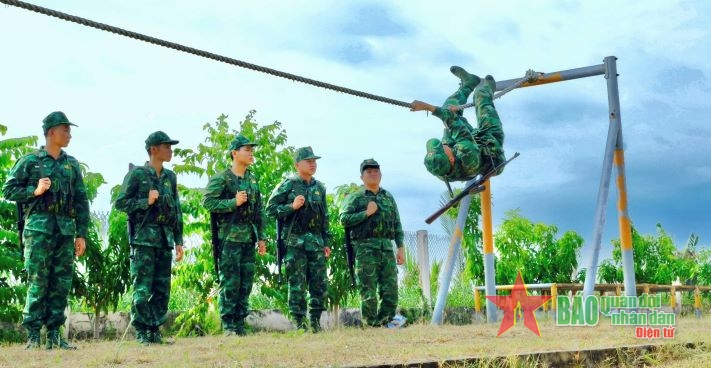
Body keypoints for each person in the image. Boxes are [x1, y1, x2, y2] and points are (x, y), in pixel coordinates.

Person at [2, 111, 90, 350]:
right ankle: (33, 335)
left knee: (61, 283)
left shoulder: (71, 165)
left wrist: (81, 233)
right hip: (38, 230)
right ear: (52, 132)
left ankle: (54, 334)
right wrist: (34, 190)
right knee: (38, 282)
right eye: (66, 130)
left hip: (65, 231)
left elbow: (82, 201)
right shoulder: (31, 161)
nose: (69, 135)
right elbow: (7, 190)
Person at [115, 131, 184, 345]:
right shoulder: (137, 175)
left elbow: (177, 210)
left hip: (164, 239)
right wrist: (145, 201)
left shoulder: (170, 177)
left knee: (162, 288)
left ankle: (155, 329)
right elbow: (121, 203)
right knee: (143, 288)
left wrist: (179, 240)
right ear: (153, 149)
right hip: (143, 239)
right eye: (167, 146)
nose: (170, 150)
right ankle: (142, 330)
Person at [203, 134, 267, 336]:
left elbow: (259, 211)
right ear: (234, 153)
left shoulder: (252, 180)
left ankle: (240, 323)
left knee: (246, 282)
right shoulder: (222, 179)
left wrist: (261, 237)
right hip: (229, 239)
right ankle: (229, 325)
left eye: (251, 149)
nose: (251, 153)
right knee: (230, 282)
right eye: (247, 149)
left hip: (248, 238)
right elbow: (208, 203)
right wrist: (233, 202)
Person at [266, 146, 330, 332]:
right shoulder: (288, 184)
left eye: (314, 161)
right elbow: (270, 209)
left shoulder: (320, 188)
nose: (313, 164)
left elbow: (324, 217)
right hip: (295, 243)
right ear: (297, 164)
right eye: (308, 161)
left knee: (319, 285)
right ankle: (300, 324)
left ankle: (316, 324)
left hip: (316, 244)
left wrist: (326, 242)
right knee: (297, 286)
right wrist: (291, 207)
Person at [410, 66, 507, 183]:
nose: (442, 145)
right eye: (442, 149)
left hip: (472, 143)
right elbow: (455, 124)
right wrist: (429, 107)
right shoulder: (467, 154)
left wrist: (449, 117)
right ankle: (488, 89)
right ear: (451, 159)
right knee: (480, 95)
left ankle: (469, 83)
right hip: (491, 145)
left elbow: (448, 133)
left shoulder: (439, 169)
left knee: (448, 110)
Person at [339, 159, 405, 327]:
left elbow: (397, 224)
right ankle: (371, 324)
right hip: (365, 248)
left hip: (386, 247)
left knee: (390, 290)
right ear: (362, 177)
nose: (373, 173)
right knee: (368, 290)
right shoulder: (356, 197)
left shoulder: (388, 197)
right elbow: (344, 219)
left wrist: (400, 248)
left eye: (376, 171)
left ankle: (386, 322)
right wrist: (366, 214)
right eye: (369, 171)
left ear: (380, 174)